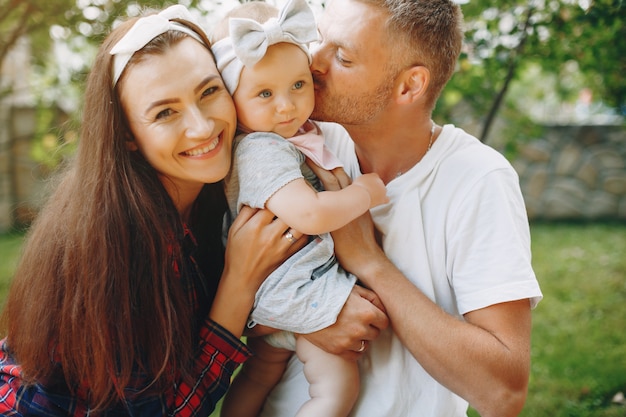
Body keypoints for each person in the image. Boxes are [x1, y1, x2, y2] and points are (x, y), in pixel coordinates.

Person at [0, 5, 307, 416]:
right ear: (127, 134)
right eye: (165, 112)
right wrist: (239, 280)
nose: (201, 127)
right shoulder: (115, 241)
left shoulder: (219, 191)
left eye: (209, 91)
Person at [259, 0, 544, 416]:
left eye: (342, 56)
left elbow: (502, 394)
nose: (313, 62)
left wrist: (370, 262)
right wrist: (316, 313)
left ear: (409, 86)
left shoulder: (478, 179)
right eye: (319, 40)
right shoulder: (296, 142)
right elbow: (234, 297)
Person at [209, 1, 388, 416]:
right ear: (232, 99)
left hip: (279, 286)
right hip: (297, 289)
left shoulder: (290, 135)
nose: (286, 106)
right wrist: (364, 192)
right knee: (336, 389)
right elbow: (309, 214)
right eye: (265, 93)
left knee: (257, 376)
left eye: (298, 85)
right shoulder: (260, 148)